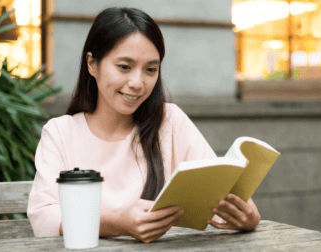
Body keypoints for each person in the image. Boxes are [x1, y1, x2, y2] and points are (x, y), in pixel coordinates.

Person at [27, 7, 260, 244]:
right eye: (124, 67)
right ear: (92, 64)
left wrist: (244, 216)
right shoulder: (60, 133)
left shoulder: (170, 121)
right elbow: (43, 215)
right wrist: (117, 223)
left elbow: (218, 190)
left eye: (151, 69)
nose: (137, 83)